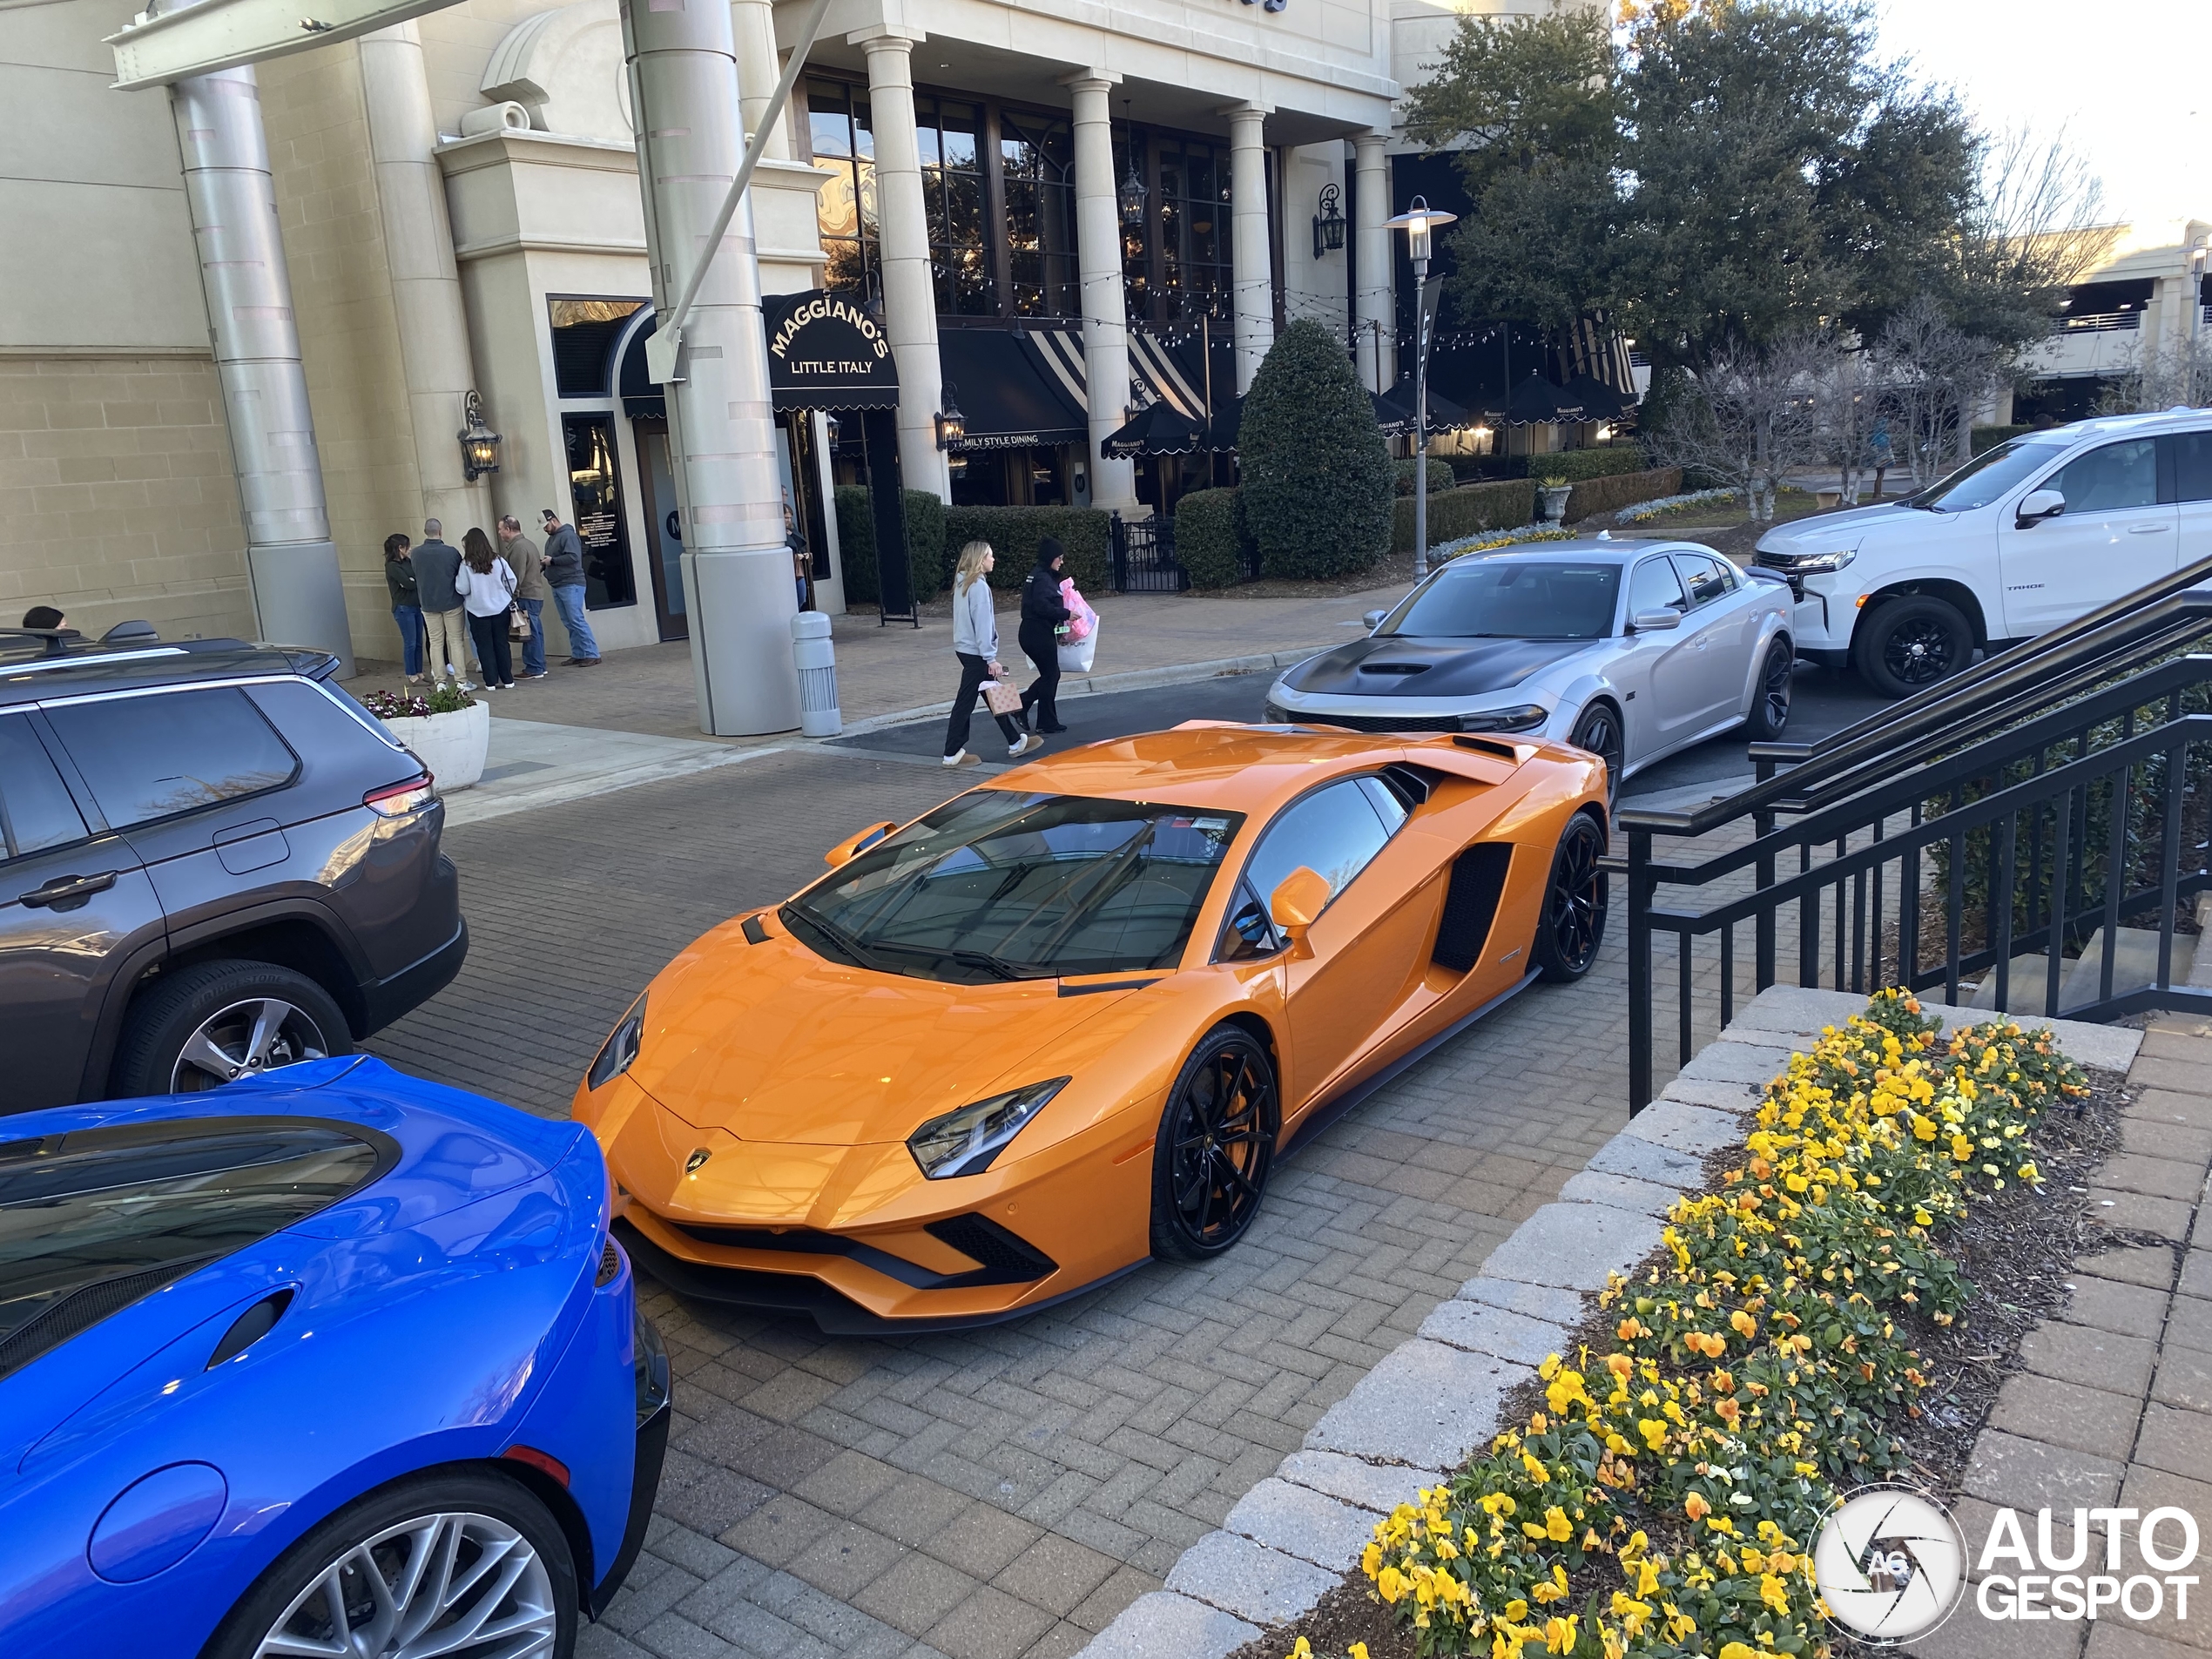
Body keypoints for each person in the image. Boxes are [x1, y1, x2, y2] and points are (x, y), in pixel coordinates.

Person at [942, 541, 1042, 769]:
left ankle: (1015, 741)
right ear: (980, 560)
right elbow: (983, 624)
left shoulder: (962, 583)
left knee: (992, 694)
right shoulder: (978, 586)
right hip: (977, 654)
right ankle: (952, 753)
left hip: (965, 649)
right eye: (989, 556)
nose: (993, 559)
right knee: (965, 703)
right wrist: (990, 658)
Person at [1017, 537, 1072, 736]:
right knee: (1051, 675)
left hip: (1033, 632)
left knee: (1050, 675)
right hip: (1037, 633)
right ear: (1051, 558)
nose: (1061, 562)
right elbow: (1042, 607)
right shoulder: (1042, 578)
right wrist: (1066, 614)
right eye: (1059, 558)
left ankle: (1028, 709)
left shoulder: (1039, 575)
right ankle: (1033, 712)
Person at [413, 517, 474, 689]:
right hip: (451, 602)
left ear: (425, 532)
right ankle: (461, 680)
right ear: (440, 532)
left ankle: (440, 681)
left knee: (435, 642)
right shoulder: (451, 552)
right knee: (456, 641)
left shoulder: (416, 554)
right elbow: (458, 574)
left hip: (428, 604)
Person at [456, 527, 517, 691]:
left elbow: (462, 588)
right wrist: (502, 595)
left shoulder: (466, 564)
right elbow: (511, 580)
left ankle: (490, 681)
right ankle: (507, 679)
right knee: (502, 644)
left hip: (477, 610)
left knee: (484, 646)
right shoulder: (498, 560)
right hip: (500, 608)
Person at [541, 508, 601, 667]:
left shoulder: (568, 535)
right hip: (559, 584)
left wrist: (552, 561)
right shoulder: (552, 539)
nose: (545, 529)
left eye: (546, 526)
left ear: (553, 521)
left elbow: (574, 557)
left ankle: (592, 653)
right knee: (569, 621)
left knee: (575, 619)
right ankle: (579, 653)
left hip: (571, 583)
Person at [496, 514, 550, 679]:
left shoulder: (519, 547)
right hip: (534, 594)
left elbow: (516, 576)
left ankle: (534, 667)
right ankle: (538, 665)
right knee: (535, 631)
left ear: (508, 529)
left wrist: (511, 597)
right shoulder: (527, 544)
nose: (499, 533)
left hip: (526, 595)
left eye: (500, 529)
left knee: (529, 632)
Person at [382, 533, 425, 682]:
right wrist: (412, 581)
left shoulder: (408, 562)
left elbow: (417, 577)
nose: (410, 549)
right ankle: (410, 672)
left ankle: (419, 671)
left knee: (419, 641)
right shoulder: (392, 566)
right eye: (407, 546)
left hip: (416, 605)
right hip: (403, 607)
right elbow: (409, 583)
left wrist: (413, 580)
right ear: (400, 548)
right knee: (410, 642)